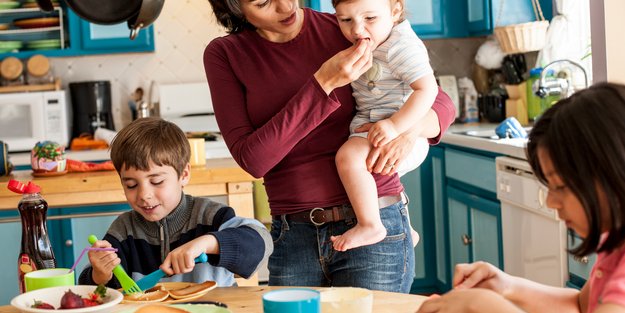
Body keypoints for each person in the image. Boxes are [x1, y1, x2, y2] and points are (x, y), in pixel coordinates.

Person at [204, 0, 456, 293]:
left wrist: (406, 130)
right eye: (263, 2)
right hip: (293, 234)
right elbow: (254, 160)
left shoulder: (347, 26)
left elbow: (439, 100)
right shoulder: (226, 55)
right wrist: (323, 82)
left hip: (376, 225)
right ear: (235, 10)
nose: (286, 7)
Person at [417, 83, 625, 313]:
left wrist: (482, 305)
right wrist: (506, 287)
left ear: (612, 173)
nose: (551, 202)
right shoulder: (614, 244)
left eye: (561, 187)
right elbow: (580, 305)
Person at [78, 117, 272, 288]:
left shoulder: (210, 216)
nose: (144, 195)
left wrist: (208, 243)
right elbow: (92, 290)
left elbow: (261, 243)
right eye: (130, 185)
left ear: (184, 174)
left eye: (157, 181)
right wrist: (100, 275)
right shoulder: (123, 230)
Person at [330, 0, 438, 251]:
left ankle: (371, 225)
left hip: (398, 131)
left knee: (348, 158)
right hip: (377, 125)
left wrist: (394, 126)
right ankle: (406, 229)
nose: (357, 30)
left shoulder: (400, 46)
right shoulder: (371, 40)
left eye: (370, 19)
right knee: (375, 176)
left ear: (395, 11)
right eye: (345, 20)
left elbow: (428, 89)